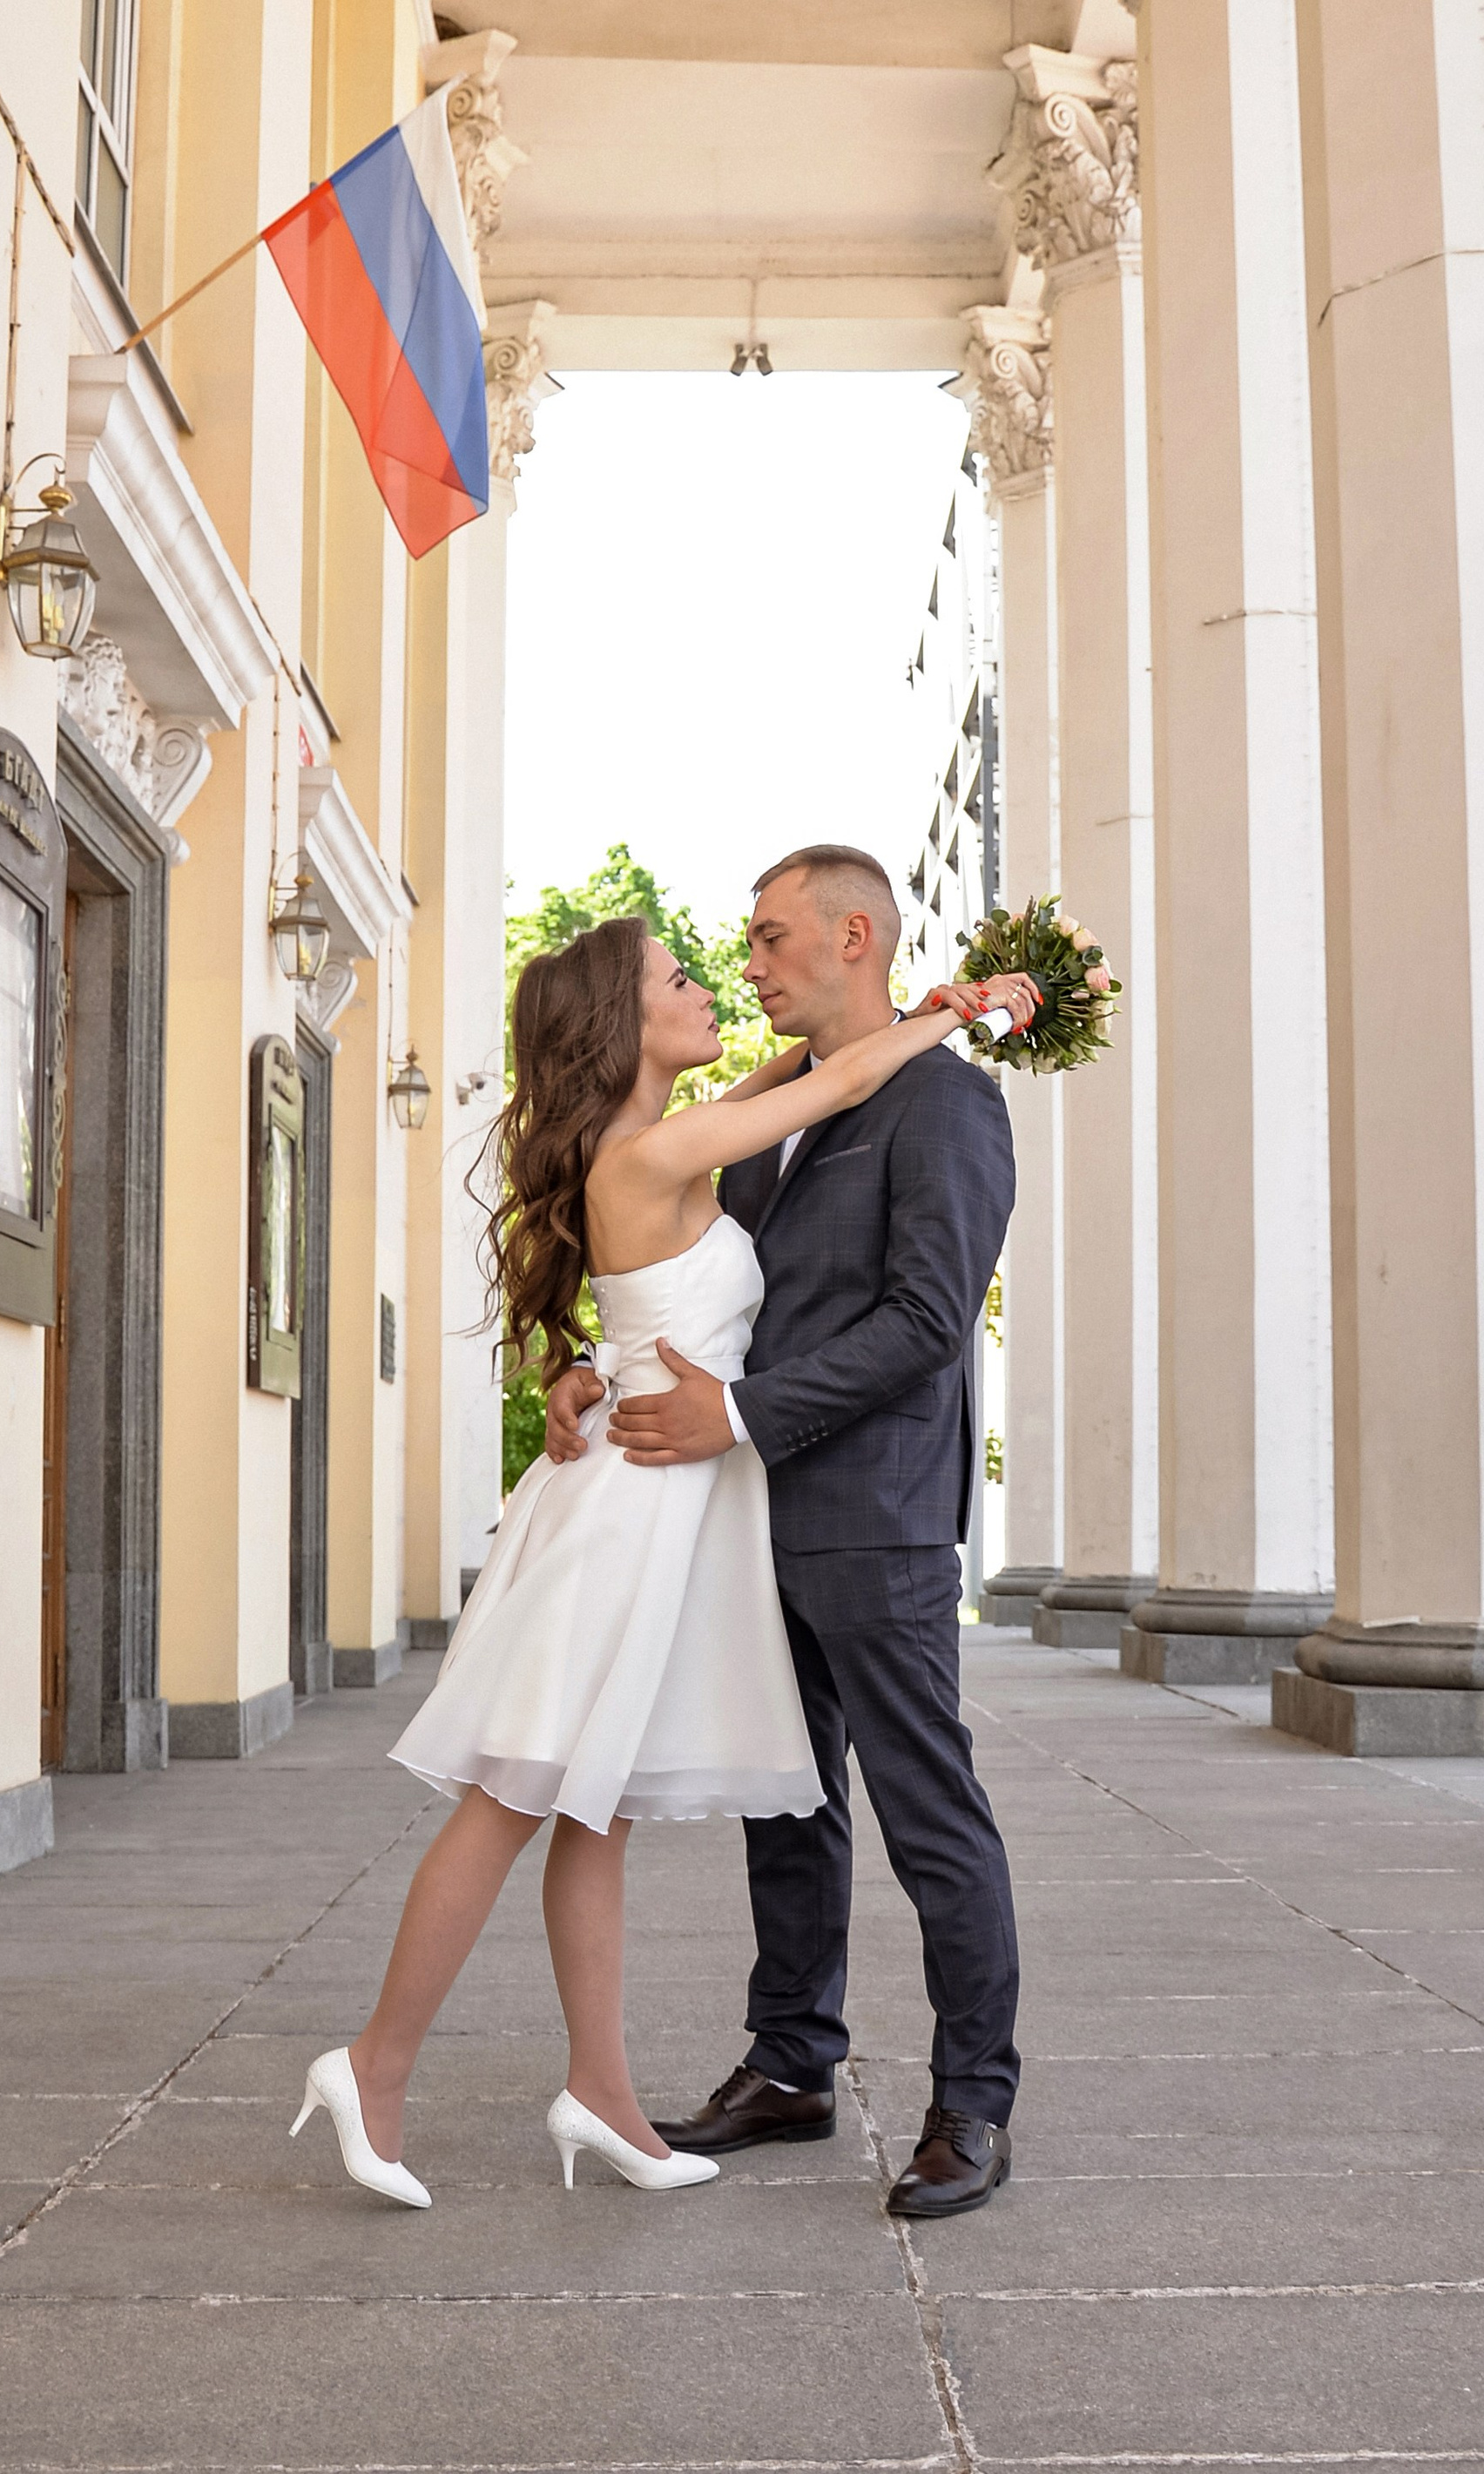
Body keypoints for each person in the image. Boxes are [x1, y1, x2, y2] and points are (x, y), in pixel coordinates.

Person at [287, 901, 1035, 2211]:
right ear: (622, 1024)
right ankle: (374, 2063)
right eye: (684, 972)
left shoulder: (671, 1136)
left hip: (695, 1504)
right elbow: (836, 1077)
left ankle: (605, 2095)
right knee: (519, 1795)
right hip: (634, 1512)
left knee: (596, 1810)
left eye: (747, 947)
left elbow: (793, 1113)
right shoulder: (666, 1150)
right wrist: (948, 1012)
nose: (721, 978)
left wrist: (589, 1363)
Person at [550, 844, 1022, 2220]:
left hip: (870, 1520)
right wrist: (604, 1367)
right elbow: (707, 1300)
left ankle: (974, 2103)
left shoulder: (942, 1102)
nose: (748, 964)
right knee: (791, 1807)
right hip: (747, 1520)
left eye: (767, 940)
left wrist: (740, 1416)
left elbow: (929, 1324)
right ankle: (795, 2063)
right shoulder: (783, 1120)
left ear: (854, 934)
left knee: (929, 1812)